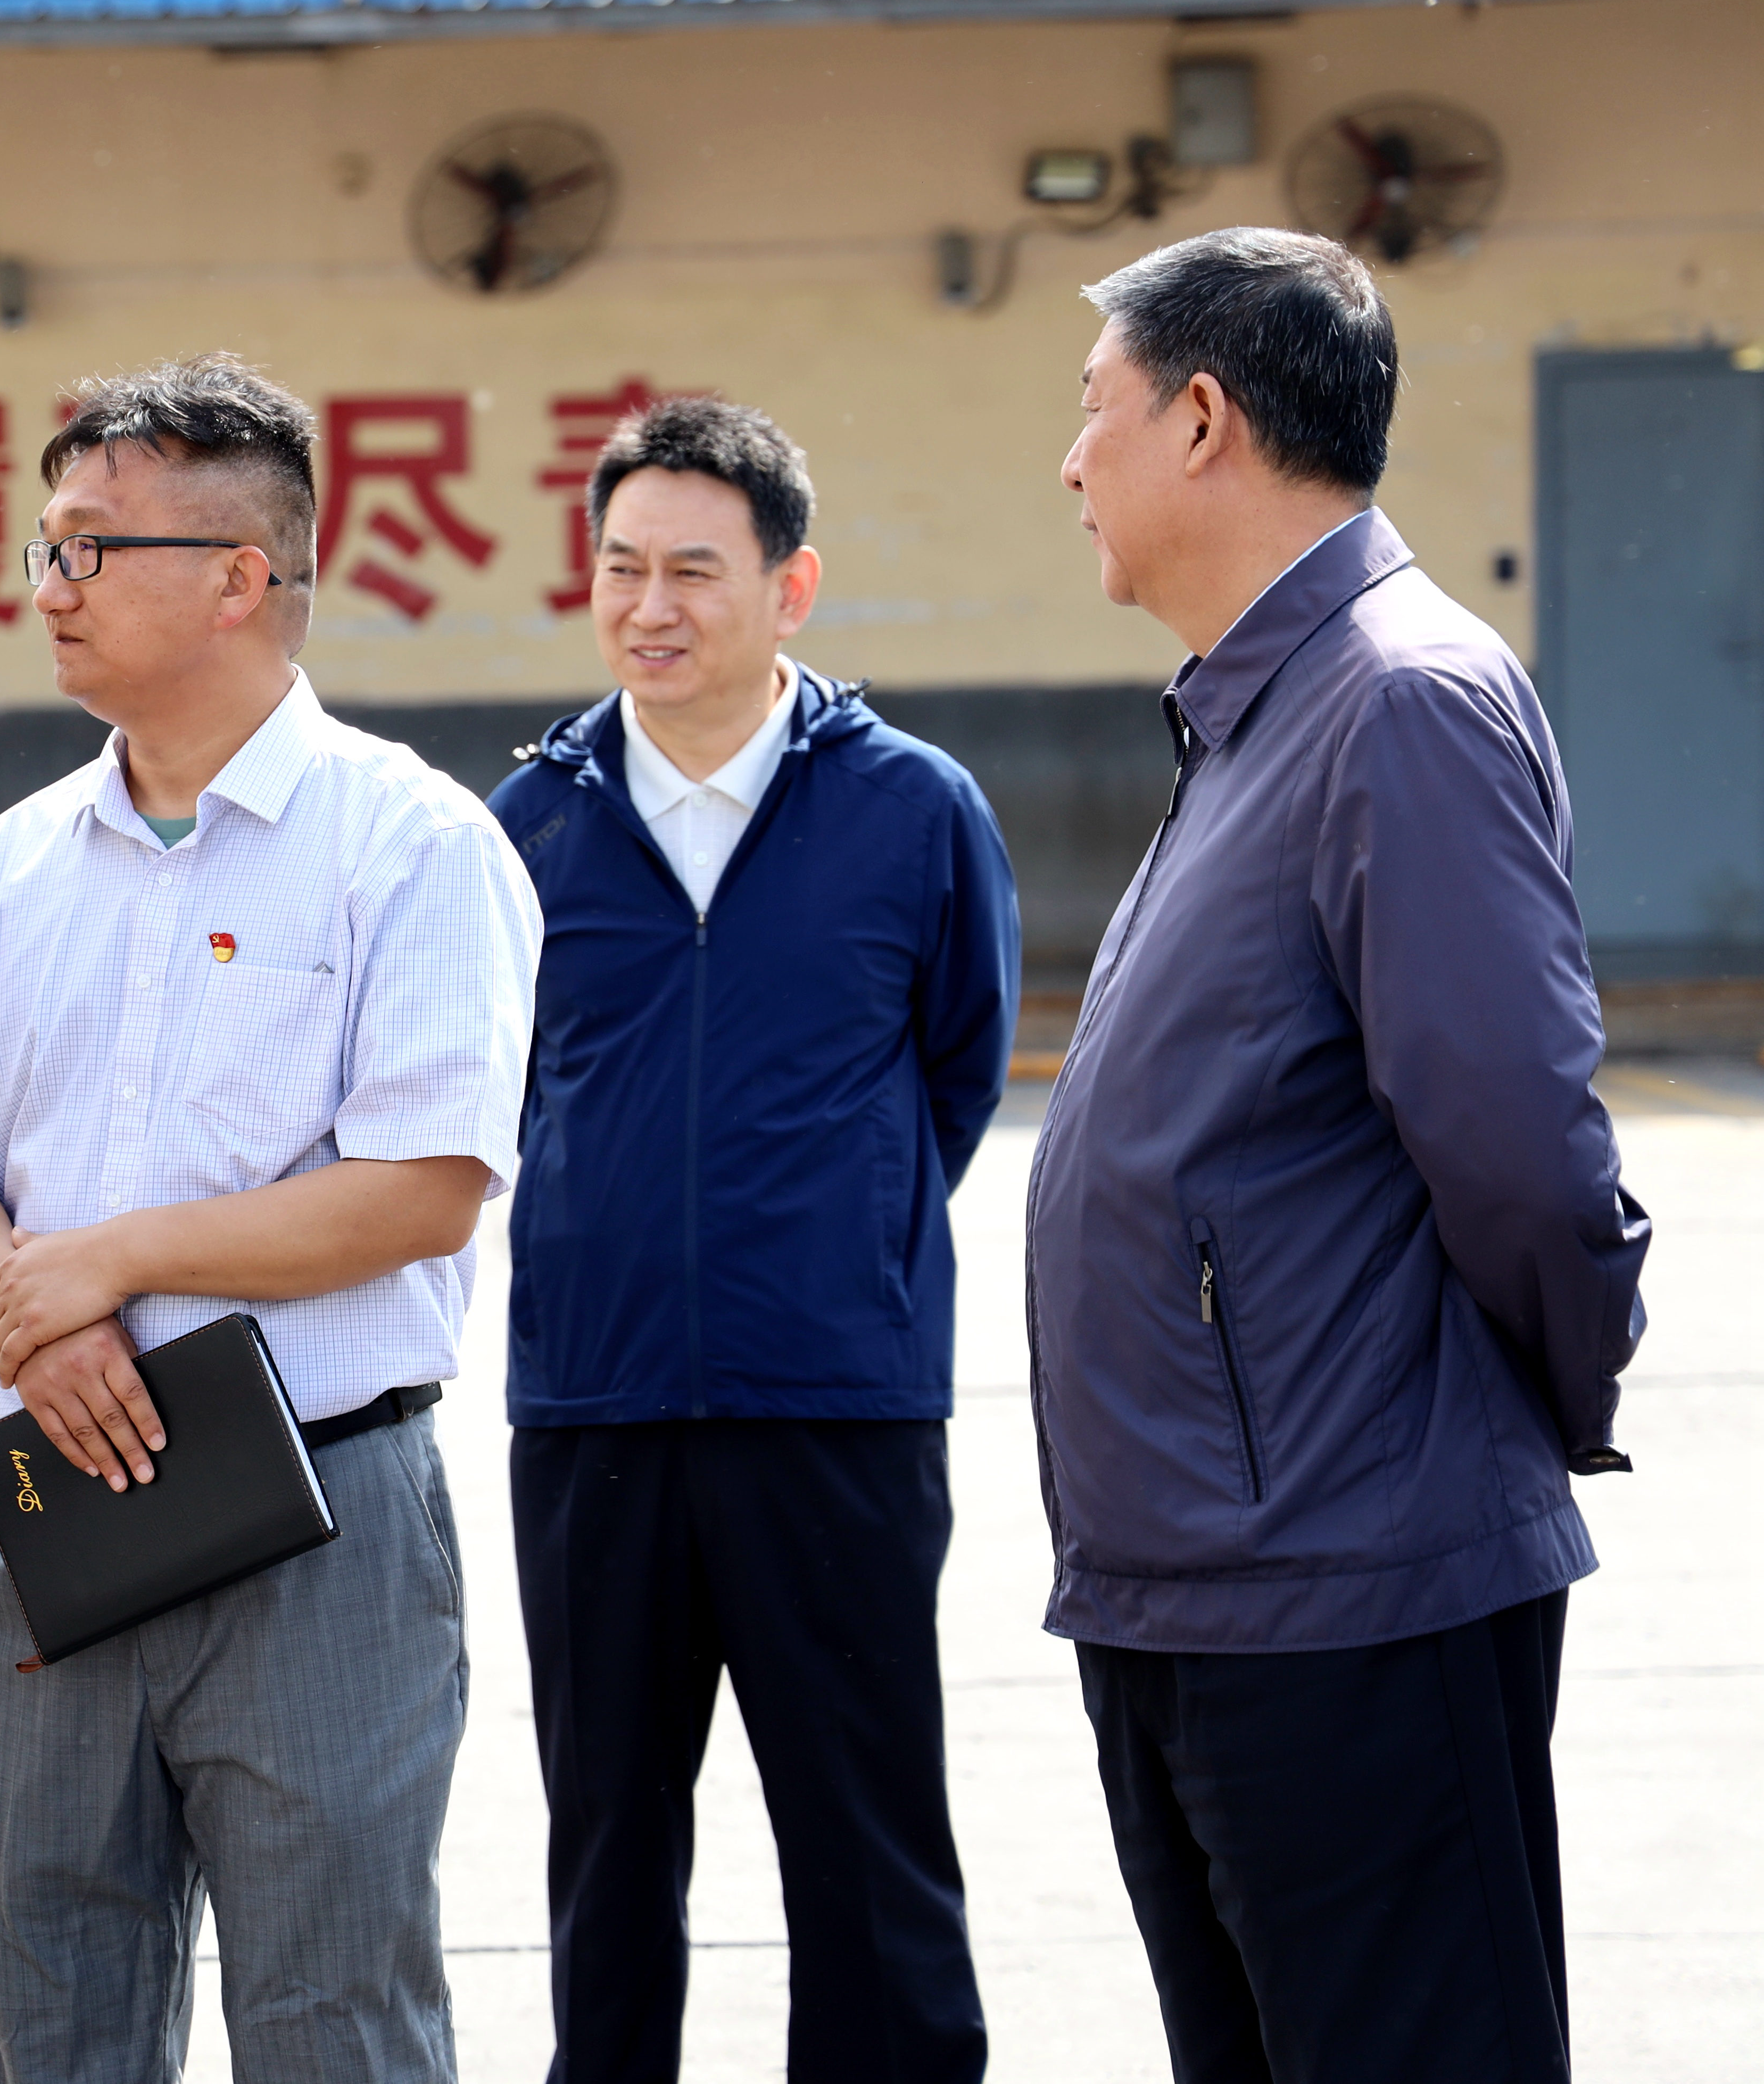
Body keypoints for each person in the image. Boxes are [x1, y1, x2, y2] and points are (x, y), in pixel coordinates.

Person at [1034, 227, 1649, 2083]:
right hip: (1205, 1583)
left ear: (1203, 419)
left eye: (1094, 410)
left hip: (1350, 1586)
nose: (1069, 462)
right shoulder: (1260, 704)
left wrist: (1538, 1397)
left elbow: (1524, 1147)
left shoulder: (1395, 697)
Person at [0, 353, 539, 2084]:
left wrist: (117, 1256)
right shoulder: (15, 862)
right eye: (47, 544)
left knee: (335, 2021)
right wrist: (40, 1323)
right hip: (51, 1497)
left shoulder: (412, 842)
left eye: (94, 547)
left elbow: (424, 1185)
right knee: (51, 2018)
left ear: (242, 575)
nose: (52, 582)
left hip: (314, 1513)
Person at [488, 397, 1014, 2083]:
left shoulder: (916, 811)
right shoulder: (526, 827)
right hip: (599, 1411)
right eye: (620, 567)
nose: (650, 606)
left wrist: (834, 1246)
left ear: (792, 587)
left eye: (694, 571)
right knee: (608, 1855)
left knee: (870, 1852)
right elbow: (501, 1095)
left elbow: (957, 1074)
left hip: (837, 1409)